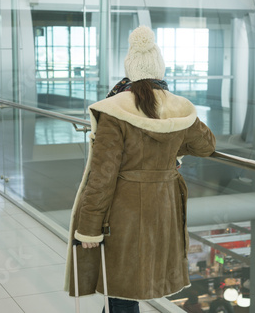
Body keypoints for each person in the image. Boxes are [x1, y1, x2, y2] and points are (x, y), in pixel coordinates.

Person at [63, 25, 216, 312]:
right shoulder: (179, 108)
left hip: (125, 212)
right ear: (160, 70)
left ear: (130, 69)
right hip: (165, 209)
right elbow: (206, 145)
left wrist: (89, 228)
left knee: (120, 289)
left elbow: (102, 176)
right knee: (132, 288)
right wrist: (173, 151)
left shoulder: (114, 109)